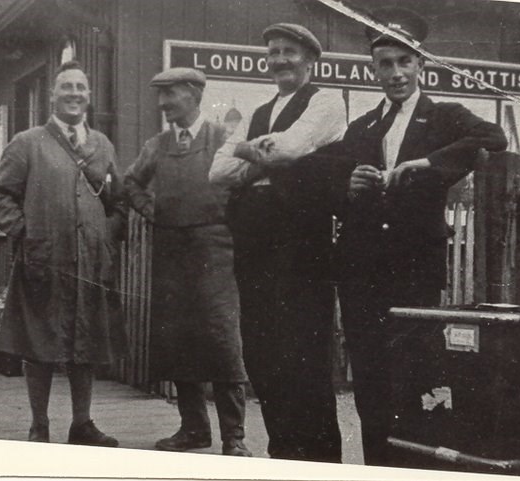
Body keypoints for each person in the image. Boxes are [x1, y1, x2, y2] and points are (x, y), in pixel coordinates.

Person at [336, 8, 508, 466]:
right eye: (385, 64)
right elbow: (334, 187)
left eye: (404, 62)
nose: (395, 73)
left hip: (414, 269)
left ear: (421, 64)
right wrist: (348, 186)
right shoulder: (362, 127)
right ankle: (376, 466)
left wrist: (426, 165)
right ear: (374, 69)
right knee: (369, 379)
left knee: (413, 373)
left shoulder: (445, 117)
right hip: (361, 272)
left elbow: (494, 137)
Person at [210, 24, 348, 463]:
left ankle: (320, 462)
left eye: (290, 52)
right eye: (273, 52)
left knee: (303, 353)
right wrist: (263, 158)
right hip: (256, 243)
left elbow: (290, 148)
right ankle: (283, 454)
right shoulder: (258, 110)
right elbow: (215, 170)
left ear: (310, 59)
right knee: (264, 353)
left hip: (301, 243)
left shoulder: (325, 102)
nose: (280, 60)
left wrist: (249, 158)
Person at [0, 60, 121, 447]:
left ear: (89, 96)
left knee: (86, 343)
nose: (74, 94)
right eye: (67, 87)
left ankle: (82, 424)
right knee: (38, 342)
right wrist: (27, 232)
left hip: (90, 264)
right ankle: (39, 425)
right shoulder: (27, 142)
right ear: (52, 95)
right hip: (41, 260)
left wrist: (105, 236)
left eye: (81, 87)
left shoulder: (102, 145)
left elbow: (118, 200)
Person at [121, 67, 251, 457]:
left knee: (223, 340)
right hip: (171, 251)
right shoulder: (156, 145)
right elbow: (131, 183)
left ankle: (235, 438)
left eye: (170, 95)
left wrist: (229, 220)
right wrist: (153, 210)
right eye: (159, 96)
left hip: (215, 251)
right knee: (178, 341)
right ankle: (193, 429)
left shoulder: (222, 138)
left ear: (193, 95)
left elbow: (244, 181)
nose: (162, 104)